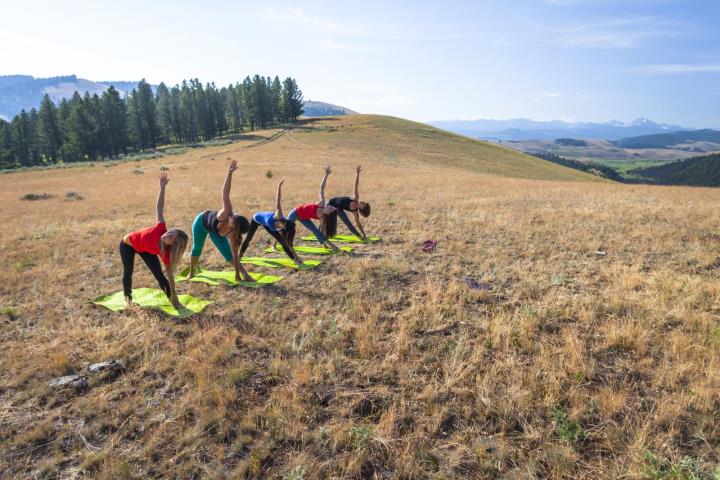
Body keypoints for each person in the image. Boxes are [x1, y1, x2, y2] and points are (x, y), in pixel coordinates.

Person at [120, 173, 188, 308]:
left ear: (172, 245)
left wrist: (175, 298)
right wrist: (162, 188)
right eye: (170, 232)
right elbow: (159, 208)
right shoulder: (161, 228)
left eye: (170, 237)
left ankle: (171, 299)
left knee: (159, 275)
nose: (167, 235)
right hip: (128, 244)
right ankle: (128, 300)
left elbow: (170, 277)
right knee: (128, 271)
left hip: (147, 250)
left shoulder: (166, 253)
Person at [188, 160, 253, 282]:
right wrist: (230, 173)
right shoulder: (227, 212)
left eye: (234, 219)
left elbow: (234, 256)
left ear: (234, 228)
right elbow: (225, 192)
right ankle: (191, 272)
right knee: (197, 248)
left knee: (228, 255)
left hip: (214, 232)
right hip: (201, 223)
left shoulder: (234, 236)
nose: (232, 216)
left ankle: (246, 275)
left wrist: (238, 274)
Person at [239, 179, 302, 264]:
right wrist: (279, 186)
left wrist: (296, 258)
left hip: (268, 223)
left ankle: (294, 260)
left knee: (284, 242)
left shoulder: (282, 220)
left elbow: (288, 243)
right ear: (283, 226)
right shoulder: (276, 217)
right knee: (248, 238)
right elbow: (277, 200)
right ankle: (239, 256)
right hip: (256, 219)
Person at [285, 166, 341, 252]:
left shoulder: (322, 218)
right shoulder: (321, 203)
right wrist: (326, 175)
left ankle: (333, 247)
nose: (328, 206)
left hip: (304, 218)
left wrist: (324, 242)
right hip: (295, 213)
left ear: (328, 214)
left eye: (329, 209)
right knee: (286, 229)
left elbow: (321, 232)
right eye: (330, 206)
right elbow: (321, 188)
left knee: (316, 231)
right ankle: (276, 244)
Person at [321, 165, 371, 240]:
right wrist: (357, 174)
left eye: (363, 205)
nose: (362, 203)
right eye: (363, 203)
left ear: (362, 208)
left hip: (337, 210)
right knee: (325, 222)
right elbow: (356, 185)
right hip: (330, 203)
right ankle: (322, 235)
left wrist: (363, 233)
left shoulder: (355, 212)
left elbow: (358, 223)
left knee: (348, 223)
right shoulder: (355, 198)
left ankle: (359, 236)